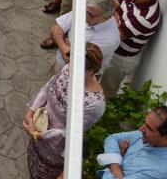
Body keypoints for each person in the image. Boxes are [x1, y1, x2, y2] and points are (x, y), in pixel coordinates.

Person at [23, 44, 106, 179]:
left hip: (52, 145)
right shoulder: (70, 69)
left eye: (76, 68)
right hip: (37, 124)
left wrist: (38, 135)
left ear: (91, 71)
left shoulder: (95, 104)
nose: (70, 70)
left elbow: (70, 133)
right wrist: (30, 113)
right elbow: (48, 88)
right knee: (31, 164)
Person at [101, 0, 167, 96]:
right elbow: (113, 5)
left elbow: (115, 35)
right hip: (113, 49)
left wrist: (114, 15)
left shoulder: (145, 18)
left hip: (119, 59)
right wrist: (116, 17)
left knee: (105, 92)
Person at [42, 0, 120, 73]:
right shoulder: (89, 9)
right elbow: (55, 30)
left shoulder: (110, 40)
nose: (84, 15)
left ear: (105, 17)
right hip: (61, 63)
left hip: (77, 79)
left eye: (90, 15)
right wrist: (65, 49)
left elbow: (79, 64)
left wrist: (63, 41)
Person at [98, 107, 167, 178]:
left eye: (149, 128)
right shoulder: (150, 137)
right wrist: (116, 165)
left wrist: (117, 158)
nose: (141, 129)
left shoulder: (160, 172)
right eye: (145, 123)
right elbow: (112, 138)